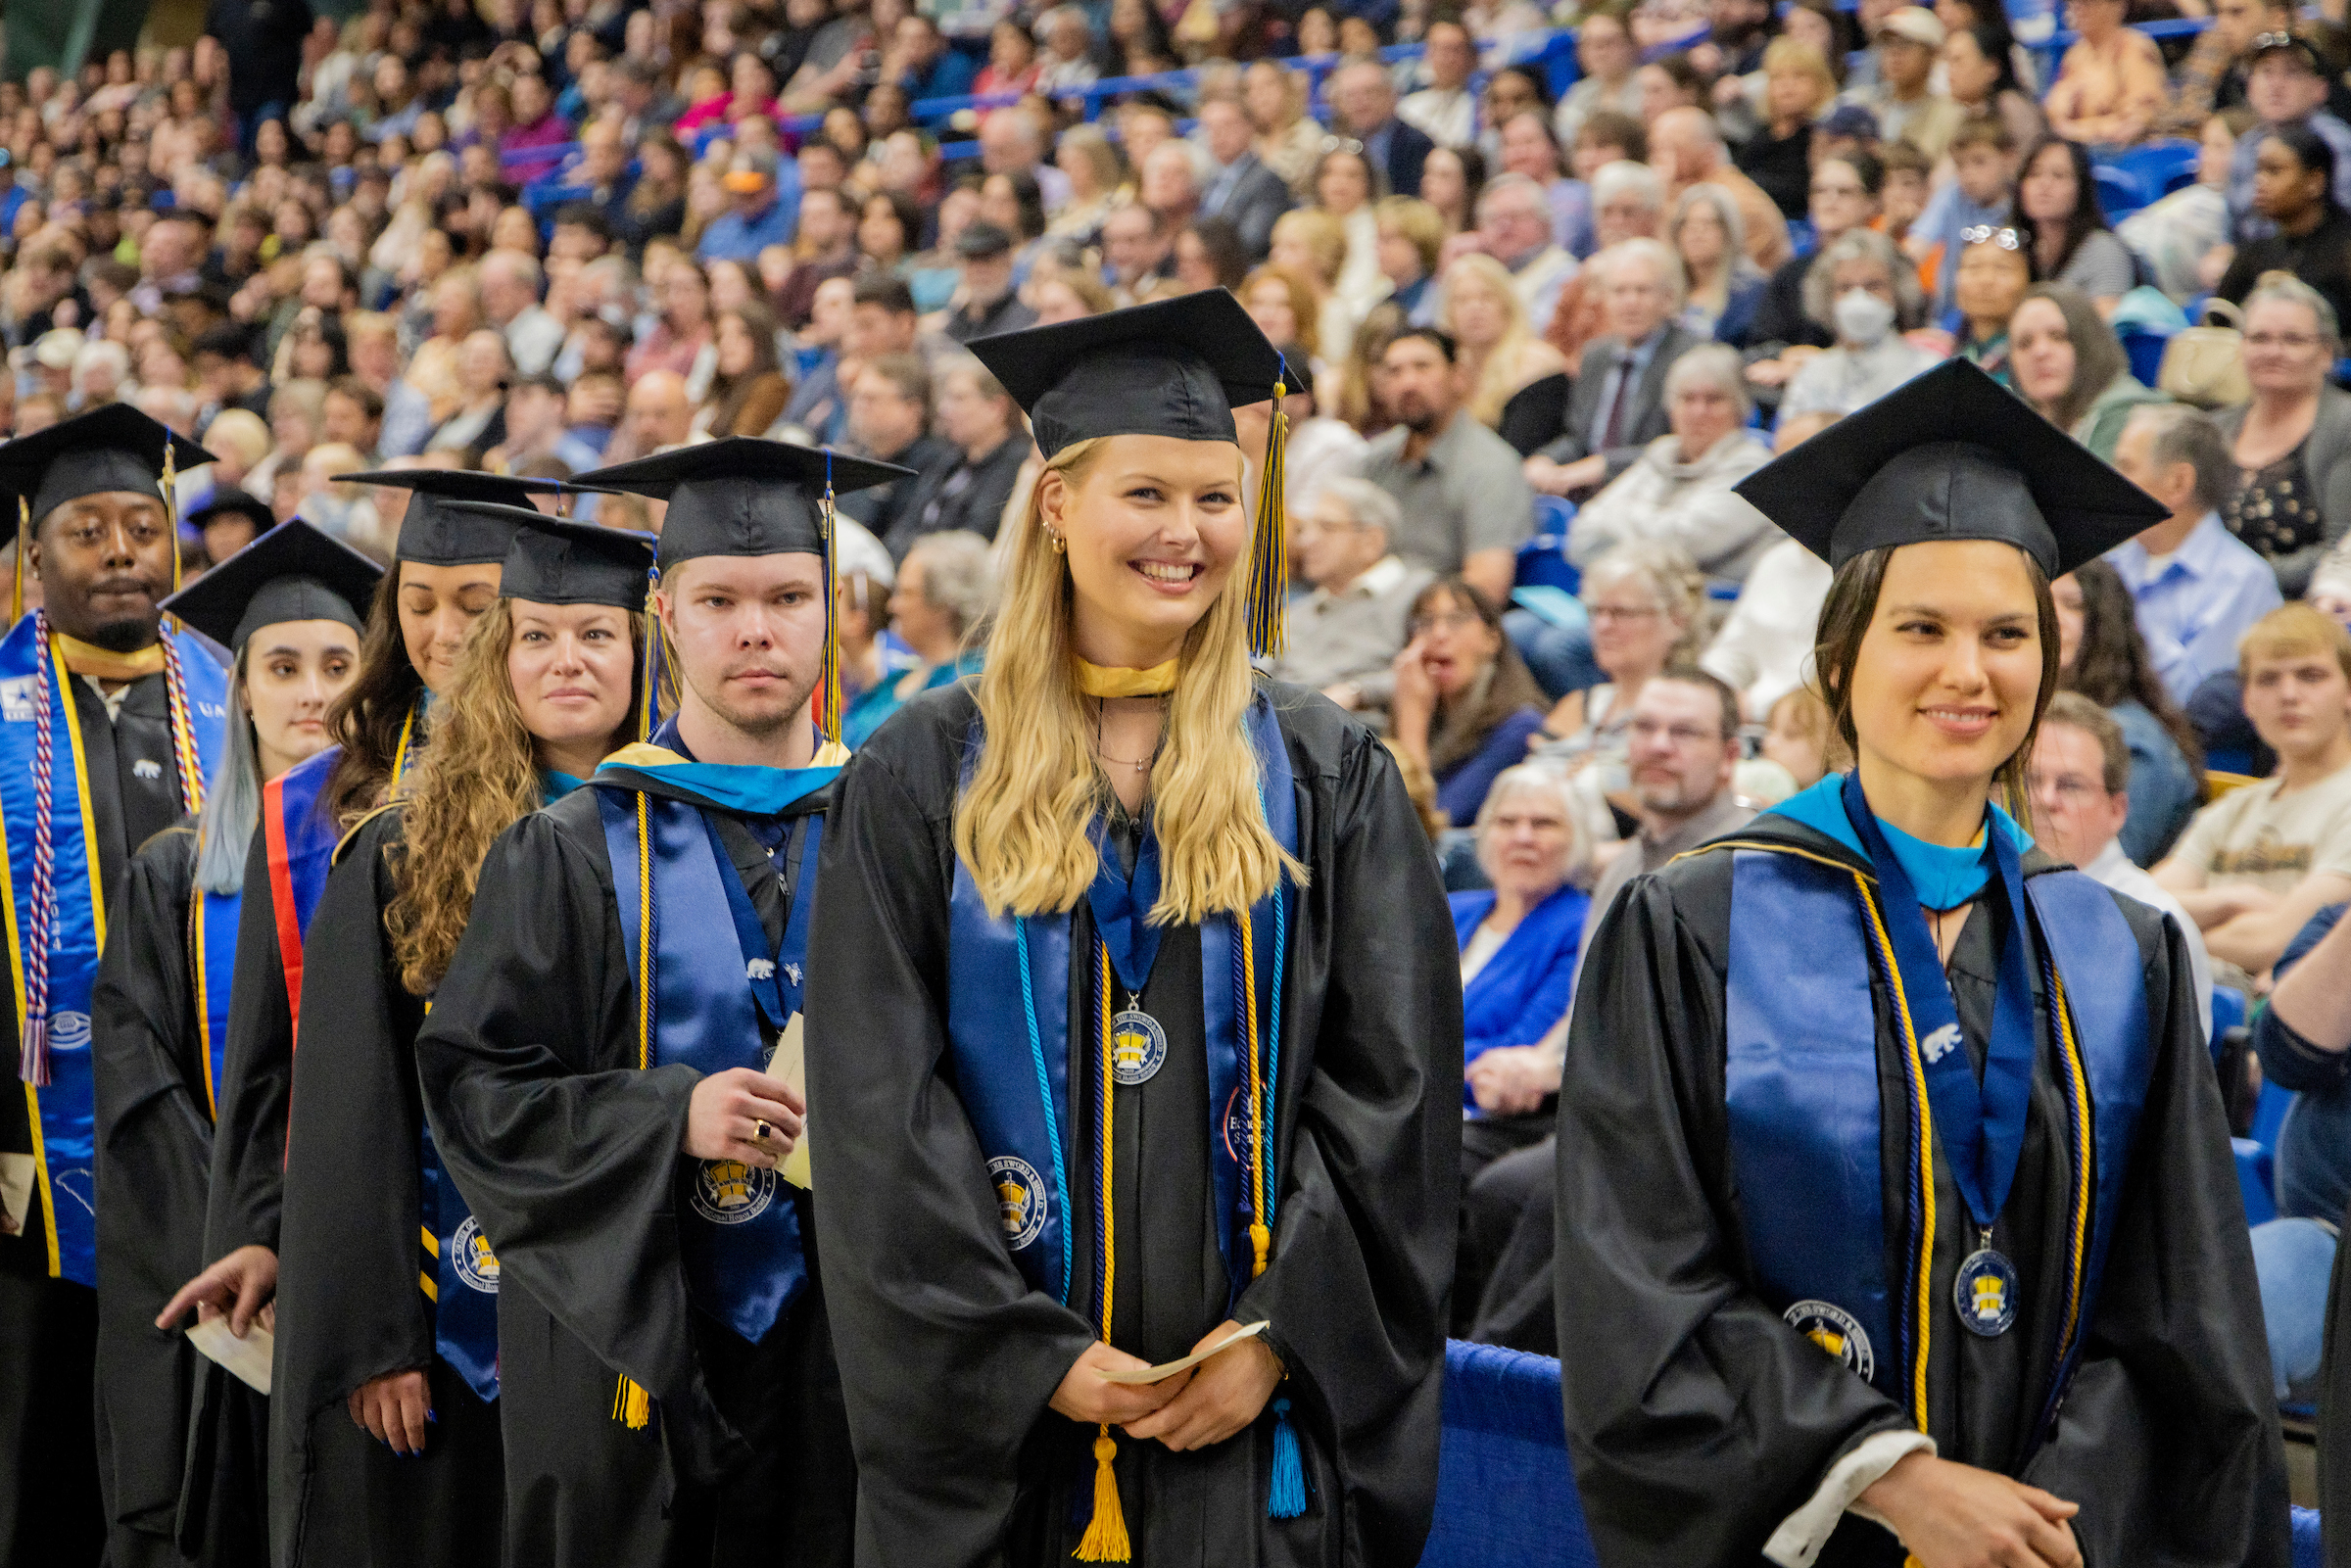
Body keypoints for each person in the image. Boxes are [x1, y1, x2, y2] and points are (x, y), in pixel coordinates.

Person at [1560, 357, 2289, 1566]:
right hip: (1806, 1529)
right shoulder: (1696, 923)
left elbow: (2181, 1317)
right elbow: (1639, 1276)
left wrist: (2045, 1518)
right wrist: (1888, 1476)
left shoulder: (2122, 949)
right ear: (1841, 661)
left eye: (2008, 633)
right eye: (1922, 628)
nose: (1969, 670)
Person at [806, 290, 1456, 1565]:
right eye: (1145, 495)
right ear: (1056, 504)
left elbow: (1396, 1086)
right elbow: (878, 1099)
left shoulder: (1323, 770)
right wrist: (1021, 1350)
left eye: (1217, 499)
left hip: (1250, 1424)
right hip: (1008, 1435)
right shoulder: (923, 767)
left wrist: (1281, 1335)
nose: (1188, 533)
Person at [416, 442, 910, 1567]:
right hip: (635, 1352)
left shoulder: (901, 831)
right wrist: (663, 1117)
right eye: (720, 600)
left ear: (832, 613)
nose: (756, 630)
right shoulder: (567, 848)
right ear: (664, 615)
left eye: (789, 597)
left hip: (860, 1354)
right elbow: (475, 1090)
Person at [163, 472, 584, 1544]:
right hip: (379, 1243)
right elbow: (274, 1060)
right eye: (420, 598)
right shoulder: (317, 807)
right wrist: (266, 1233)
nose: (442, 630)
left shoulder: (589, 793)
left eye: (477, 602)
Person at [93, 520, 375, 1568]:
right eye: (283, 666)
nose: (312, 692)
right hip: (226, 1268)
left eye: (339, 665)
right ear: (241, 690)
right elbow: (142, 1081)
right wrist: (246, 1222)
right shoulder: (174, 875)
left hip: (369, 1270)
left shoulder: (397, 861)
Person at [0, 405, 227, 1568]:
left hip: (204, 1137)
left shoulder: (234, 692)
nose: (125, 551)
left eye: (145, 524)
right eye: (89, 531)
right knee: (36, 1427)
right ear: (33, 553)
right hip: (27, 1156)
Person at [1462, 665, 1754, 1355]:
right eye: (1643, 728)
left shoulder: (1747, 859)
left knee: (1523, 1191)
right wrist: (1545, 1060)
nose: (1658, 744)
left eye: (1684, 732)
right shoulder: (1622, 868)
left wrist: (1554, 1070)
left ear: (1731, 755)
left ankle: (1489, 1385)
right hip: (1595, 1101)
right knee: (1430, 1158)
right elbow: (1594, 1010)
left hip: (1686, 1119)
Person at [1450, 763, 1589, 1322]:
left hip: (1504, 1116)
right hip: (1434, 1098)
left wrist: (1418, 1060)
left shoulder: (1577, 923)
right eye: (1508, 821)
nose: (1524, 836)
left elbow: (1524, 1046)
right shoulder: (1455, 909)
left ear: (1576, 839)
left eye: (1544, 823)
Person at [2156, 602, 2351, 982]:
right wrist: (2233, 901)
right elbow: (2141, 906)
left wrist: (2184, 932)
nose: (2289, 694)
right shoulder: (2231, 810)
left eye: (2311, 676)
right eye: (2268, 680)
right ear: (2246, 701)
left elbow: (2279, 939)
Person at [2026, 692, 2214, 1043]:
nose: (2046, 800)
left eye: (2071, 785)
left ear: (2117, 811)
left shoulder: (2154, 925)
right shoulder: (1975, 895)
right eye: (2030, 781)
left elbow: (2171, 1084)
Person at [2108, 404, 2283, 708]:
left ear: (2179, 483)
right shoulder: (2111, 562)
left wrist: (2122, 629)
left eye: (2126, 466)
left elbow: (2197, 703)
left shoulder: (2242, 580)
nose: (2111, 478)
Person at [1564, 344, 1776, 587]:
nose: (1699, 412)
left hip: (1712, 609)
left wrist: (1620, 518)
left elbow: (1686, 543)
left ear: (1740, 407)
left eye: (1714, 399)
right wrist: (1654, 525)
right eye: (1687, 399)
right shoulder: (1661, 454)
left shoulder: (1753, 468)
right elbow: (1581, 534)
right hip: (1630, 599)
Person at [1360, 326, 1536, 608]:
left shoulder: (1490, 466)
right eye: (1395, 372)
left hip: (1434, 620)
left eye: (1423, 367)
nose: (1408, 383)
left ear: (1459, 377)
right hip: (1363, 605)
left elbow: (1485, 590)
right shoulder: (1373, 459)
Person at [2055, 560, 2204, 869]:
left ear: (2105, 625)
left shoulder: (2132, 739)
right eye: (2039, 605)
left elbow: (2102, 867)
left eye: (2073, 605)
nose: (2051, 619)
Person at [1526, 240, 1703, 498]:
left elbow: (1682, 446)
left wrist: (1604, 466)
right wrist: (1544, 460)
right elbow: (1578, 439)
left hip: (1656, 492)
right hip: (1588, 492)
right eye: (1619, 292)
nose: (1630, 302)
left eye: (1642, 291)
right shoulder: (1596, 355)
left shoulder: (1691, 357)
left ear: (1668, 299)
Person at [2212, 274, 2351, 597]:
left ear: (2327, 352)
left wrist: (2238, 579)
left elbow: (2339, 550)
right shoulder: (2214, 428)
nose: (2274, 351)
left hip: (2308, 612)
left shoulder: (2345, 426)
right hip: (2214, 602)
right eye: (2259, 338)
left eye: (2293, 340)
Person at [1270, 477, 1435, 719]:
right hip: (1280, 727)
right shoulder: (1297, 611)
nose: (1307, 541)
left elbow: (1433, 669)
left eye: (1326, 527)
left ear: (1371, 541)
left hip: (1357, 735)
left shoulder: (1419, 592)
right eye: (1305, 529)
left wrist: (1357, 692)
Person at [1392, 576, 1550, 825]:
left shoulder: (1520, 728)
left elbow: (1428, 828)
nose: (1439, 634)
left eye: (1457, 620)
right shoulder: (1428, 718)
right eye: (1425, 622)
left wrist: (1412, 719)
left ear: (1492, 640)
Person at [1780, 229, 1941, 420]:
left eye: (1873, 286)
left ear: (1897, 291)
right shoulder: (1811, 374)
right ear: (1827, 296)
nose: (1858, 298)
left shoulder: (1928, 371)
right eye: (1845, 288)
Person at [2009, 283, 2167, 462]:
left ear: (2089, 344)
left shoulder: (2129, 412)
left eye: (2058, 337)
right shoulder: (2019, 423)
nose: (2040, 352)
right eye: (2025, 343)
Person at [2218, 124, 2351, 334]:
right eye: (2258, 170)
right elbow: (2217, 323)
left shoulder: (2344, 254)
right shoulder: (2255, 253)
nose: (2260, 182)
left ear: (2315, 181)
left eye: (2274, 170)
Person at [889, 362, 1027, 559]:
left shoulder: (1016, 463)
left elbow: (974, 538)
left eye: (959, 399)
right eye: (946, 398)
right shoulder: (951, 457)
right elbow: (907, 522)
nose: (944, 410)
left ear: (996, 407)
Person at [1438, 253, 1570, 456]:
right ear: (1449, 313)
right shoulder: (1449, 370)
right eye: (1462, 300)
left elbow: (1518, 451)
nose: (1475, 308)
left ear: (1507, 305)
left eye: (1487, 297)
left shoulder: (1536, 362)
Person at [2015, 137, 2135, 309]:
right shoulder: (2018, 250)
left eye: (2058, 175)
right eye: (2034, 174)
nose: (2044, 184)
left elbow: (2105, 330)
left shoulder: (2104, 251)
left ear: (2081, 188)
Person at [1735, 38, 1840, 221]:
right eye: (1777, 77)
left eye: (1799, 76)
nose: (1787, 85)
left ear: (1820, 83)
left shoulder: (1822, 135)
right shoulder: (1758, 137)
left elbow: (1805, 191)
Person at [2041, 0, 2166, 149]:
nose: (2078, 9)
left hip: (2121, 153)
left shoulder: (2134, 47)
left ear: (2116, 6)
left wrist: (2076, 131)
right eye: (2073, 3)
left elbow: (2137, 122)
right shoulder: (2074, 55)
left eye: (2087, 3)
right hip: (2075, 152)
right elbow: (2053, 116)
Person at [887, 530, 994, 697]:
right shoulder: (901, 676)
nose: (892, 606)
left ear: (944, 602)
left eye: (906, 593)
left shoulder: (966, 683)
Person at [1853, 7, 1966, 163]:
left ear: (1933, 54)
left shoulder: (1951, 116)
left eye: (1906, 44)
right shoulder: (1863, 106)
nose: (1894, 53)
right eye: (1886, 44)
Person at [1194, 90, 1295, 261]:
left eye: (1227, 125)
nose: (1217, 134)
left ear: (1250, 127)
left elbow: (1251, 242)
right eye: (1210, 127)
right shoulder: (1210, 181)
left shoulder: (1268, 180)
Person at [1671, 186, 1768, 346]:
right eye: (1687, 224)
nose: (1696, 233)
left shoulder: (1751, 292)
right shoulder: (1668, 288)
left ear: (1728, 232)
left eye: (1707, 224)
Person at [1949, 223, 2034, 386]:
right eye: (1974, 267)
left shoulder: (2037, 355)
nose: (1986, 280)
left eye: (2002, 268)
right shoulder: (1945, 356)